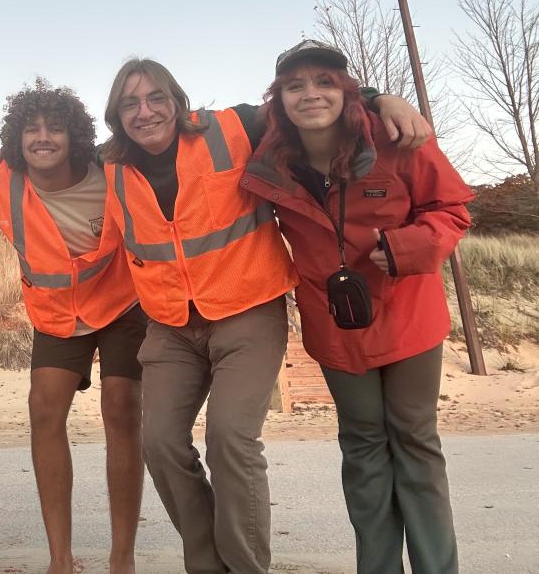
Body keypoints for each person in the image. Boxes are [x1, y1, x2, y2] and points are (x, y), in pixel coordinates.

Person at [99, 56, 430, 574]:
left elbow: (309, 102)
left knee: (229, 436)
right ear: (116, 115)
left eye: (156, 98)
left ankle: (247, 566)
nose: (145, 112)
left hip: (246, 311)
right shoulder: (110, 164)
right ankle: (207, 563)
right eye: (130, 103)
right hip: (169, 323)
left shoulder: (233, 127)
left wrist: (381, 97)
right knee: (159, 443)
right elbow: (50, 166)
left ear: (178, 101)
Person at [242, 39, 473, 574]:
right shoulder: (270, 156)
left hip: (408, 313)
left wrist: (405, 248)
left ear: (346, 92)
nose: (311, 94)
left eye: (325, 82)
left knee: (414, 439)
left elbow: (453, 208)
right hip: (335, 323)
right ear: (278, 100)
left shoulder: (395, 139)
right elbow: (194, 128)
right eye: (295, 86)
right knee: (363, 447)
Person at [0, 80, 143, 574]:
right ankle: (61, 558)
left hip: (123, 303)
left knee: (122, 408)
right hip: (58, 311)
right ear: (16, 138)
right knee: (43, 407)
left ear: (74, 135)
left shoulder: (111, 171)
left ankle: (122, 557)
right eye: (32, 128)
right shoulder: (2, 178)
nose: (43, 137)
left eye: (55, 128)